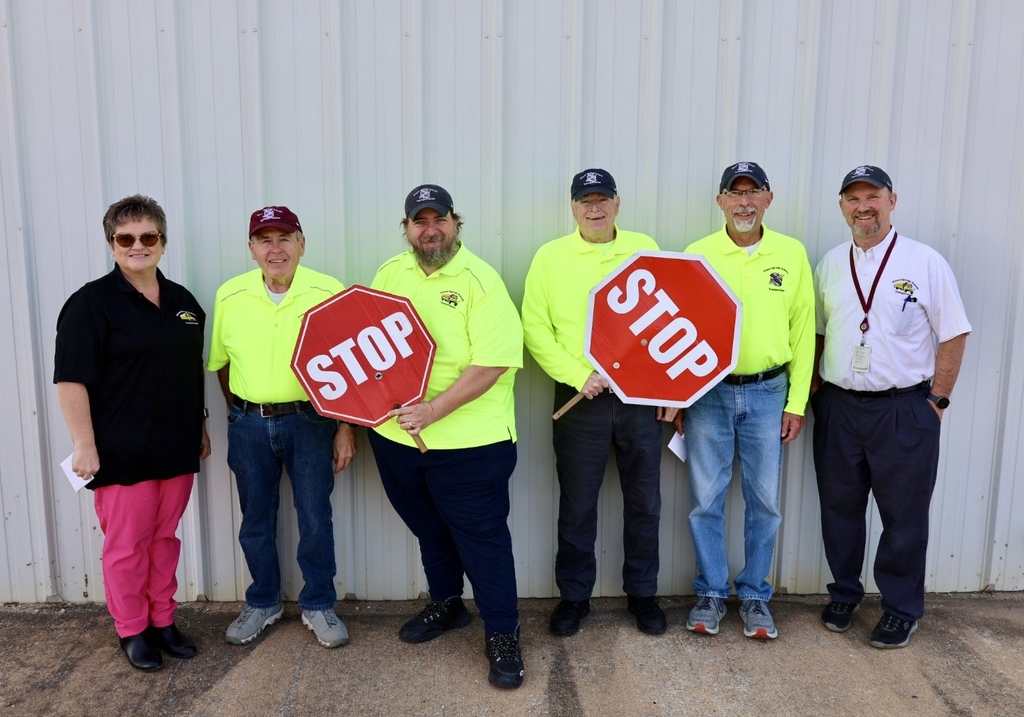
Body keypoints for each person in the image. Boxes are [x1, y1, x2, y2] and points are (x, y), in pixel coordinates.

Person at [367, 184, 525, 688]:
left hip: (472, 445)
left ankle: (503, 633)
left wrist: (434, 409)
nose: (429, 229)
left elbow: (494, 362)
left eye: (439, 220)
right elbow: (367, 346)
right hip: (398, 439)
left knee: (483, 542)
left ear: (456, 223)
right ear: (407, 228)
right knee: (429, 529)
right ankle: (447, 605)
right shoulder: (390, 273)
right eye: (419, 221)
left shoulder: (481, 280)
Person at [811, 165, 971, 648]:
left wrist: (937, 400)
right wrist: (816, 394)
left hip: (903, 409)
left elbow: (954, 332)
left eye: (873, 196)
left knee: (904, 515)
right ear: (842, 206)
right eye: (853, 198)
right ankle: (844, 593)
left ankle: (900, 608)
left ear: (892, 201)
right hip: (838, 408)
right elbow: (819, 333)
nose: (864, 207)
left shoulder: (925, 262)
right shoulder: (831, 263)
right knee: (839, 508)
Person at [54, 194, 210, 671]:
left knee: (166, 539)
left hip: (176, 447)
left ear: (162, 242)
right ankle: (132, 629)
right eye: (126, 238)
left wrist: (200, 427)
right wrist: (84, 445)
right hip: (121, 452)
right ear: (112, 244)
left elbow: (190, 372)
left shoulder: (183, 302)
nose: (137, 245)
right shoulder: (90, 304)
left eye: (148, 236)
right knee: (127, 546)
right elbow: (71, 379)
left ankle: (163, 619)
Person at [522, 168, 676, 637]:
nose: (594, 208)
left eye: (602, 199)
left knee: (644, 502)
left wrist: (670, 390)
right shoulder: (550, 258)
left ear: (617, 203)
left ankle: (643, 595)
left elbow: (673, 318)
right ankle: (574, 598)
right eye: (585, 201)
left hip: (640, 398)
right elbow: (535, 328)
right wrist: (578, 376)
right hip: (580, 400)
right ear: (573, 208)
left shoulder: (644, 247)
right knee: (577, 505)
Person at [207, 206, 356, 649]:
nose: (276, 248)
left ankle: (318, 603)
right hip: (249, 423)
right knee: (255, 518)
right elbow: (221, 364)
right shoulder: (230, 295)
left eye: (285, 238)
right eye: (265, 240)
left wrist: (345, 429)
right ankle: (264, 601)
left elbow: (352, 366)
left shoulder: (328, 291)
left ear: (302, 243)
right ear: (251, 249)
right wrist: (239, 411)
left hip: (312, 420)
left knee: (314, 516)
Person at [678, 162, 815, 639]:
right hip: (708, 393)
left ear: (768, 198)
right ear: (720, 202)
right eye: (734, 194)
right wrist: (678, 396)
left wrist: (797, 402)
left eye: (753, 192)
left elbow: (803, 332)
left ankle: (755, 596)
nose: (744, 202)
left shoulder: (791, 253)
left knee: (764, 502)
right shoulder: (698, 254)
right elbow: (679, 330)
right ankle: (712, 593)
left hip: (768, 393)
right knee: (706, 499)